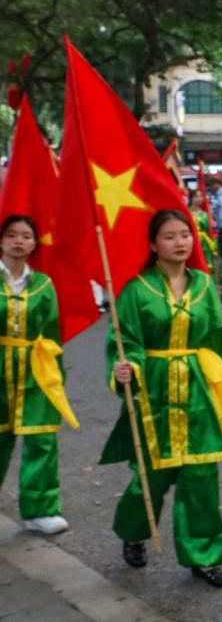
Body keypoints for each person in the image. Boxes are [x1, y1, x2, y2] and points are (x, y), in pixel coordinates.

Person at [104, 210, 222, 587]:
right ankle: (133, 531)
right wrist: (123, 368)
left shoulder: (205, 286)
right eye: (169, 236)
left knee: (201, 478)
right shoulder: (136, 289)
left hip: (197, 392)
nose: (180, 242)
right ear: (152, 244)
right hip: (154, 394)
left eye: (185, 234)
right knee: (150, 478)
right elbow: (124, 341)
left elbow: (216, 340)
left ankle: (204, 556)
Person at [0, 215, 76, 535]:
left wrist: (55, 377)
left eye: (26, 236)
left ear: (34, 243)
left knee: (41, 439)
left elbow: (51, 332)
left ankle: (40, 508)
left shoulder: (44, 284)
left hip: (35, 369)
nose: (19, 241)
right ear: (1, 240)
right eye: (12, 235)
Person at [189, 189, 217, 269]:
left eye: (201, 196)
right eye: (196, 196)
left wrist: (213, 246)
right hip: (191, 243)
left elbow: (209, 232)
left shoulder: (204, 214)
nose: (199, 199)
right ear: (191, 198)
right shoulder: (186, 213)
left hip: (204, 244)